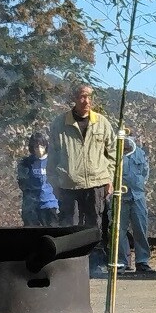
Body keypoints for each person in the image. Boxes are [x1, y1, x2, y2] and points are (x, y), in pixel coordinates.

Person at [48, 84, 116, 229]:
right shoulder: (60, 124)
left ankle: (94, 252)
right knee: (69, 227)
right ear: (75, 98)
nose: (86, 101)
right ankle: (71, 252)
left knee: (94, 227)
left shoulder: (102, 123)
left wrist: (109, 178)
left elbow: (113, 153)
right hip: (68, 185)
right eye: (82, 97)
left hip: (96, 184)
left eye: (89, 97)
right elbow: (52, 157)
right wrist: (54, 184)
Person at [118, 134, 153, 273]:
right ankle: (121, 262)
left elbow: (145, 172)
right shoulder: (115, 154)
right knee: (119, 232)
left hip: (138, 197)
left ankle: (142, 261)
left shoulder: (140, 153)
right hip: (120, 198)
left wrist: (139, 186)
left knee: (140, 229)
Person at [16, 131, 59, 226]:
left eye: (42, 146)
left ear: (46, 146)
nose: (39, 149)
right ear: (32, 148)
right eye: (36, 147)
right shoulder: (26, 163)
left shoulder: (54, 161)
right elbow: (22, 183)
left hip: (50, 204)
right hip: (32, 206)